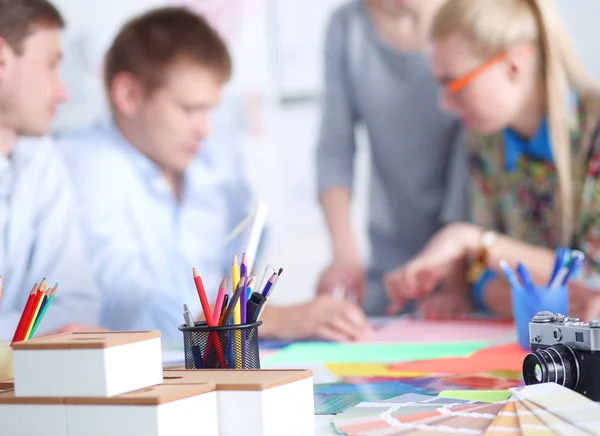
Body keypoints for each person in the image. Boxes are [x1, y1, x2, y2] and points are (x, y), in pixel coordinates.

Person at [59, 7, 371, 342]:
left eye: (210, 109)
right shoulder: (88, 164)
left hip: (214, 354)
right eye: (190, 109)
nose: (204, 129)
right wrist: (273, 317)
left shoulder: (211, 157)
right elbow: (132, 303)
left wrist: (254, 315)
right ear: (129, 96)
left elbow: (237, 269)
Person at [385, 0, 600, 321]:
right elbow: (481, 280)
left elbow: (592, 282)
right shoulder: (484, 142)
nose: (444, 104)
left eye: (454, 84)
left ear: (515, 65)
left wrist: (472, 241)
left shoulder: (592, 133)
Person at [315, 0, 469, 318]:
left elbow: (471, 154)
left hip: (464, 263)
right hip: (388, 264)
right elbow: (334, 150)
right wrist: (345, 255)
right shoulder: (347, 26)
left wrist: (454, 280)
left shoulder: (466, 15)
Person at [0, 0, 101, 340]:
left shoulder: (40, 159)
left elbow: (77, 305)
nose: (63, 91)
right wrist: (28, 339)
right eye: (51, 65)